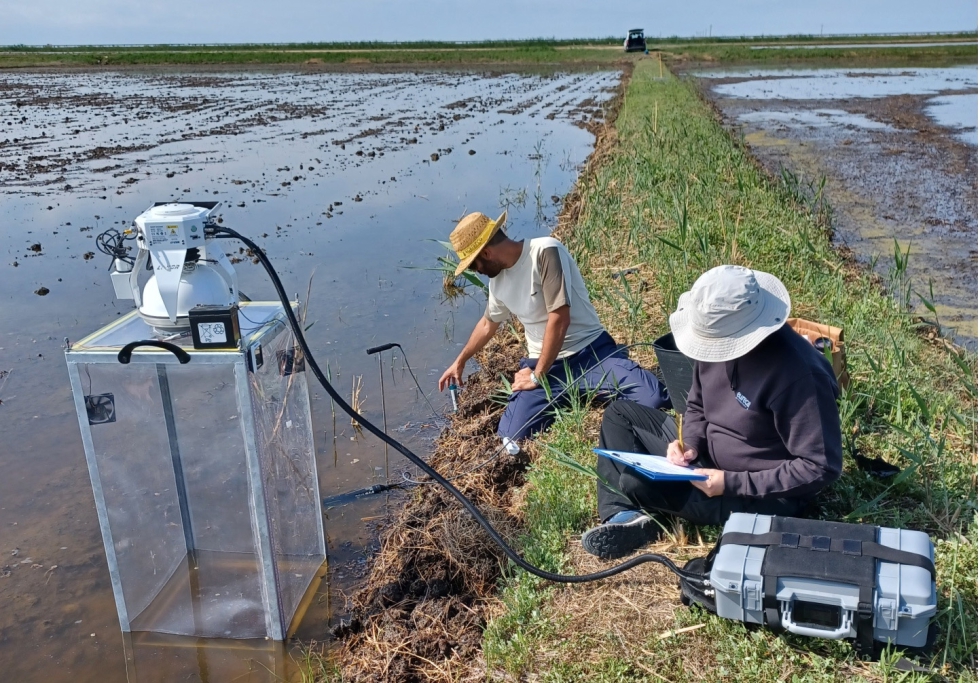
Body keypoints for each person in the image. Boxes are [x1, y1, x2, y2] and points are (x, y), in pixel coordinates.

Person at [581, 265, 843, 560]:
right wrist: (689, 442)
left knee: (635, 482)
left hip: (754, 491)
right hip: (706, 459)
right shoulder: (716, 338)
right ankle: (623, 514)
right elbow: (696, 405)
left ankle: (649, 509)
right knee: (620, 415)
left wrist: (729, 483)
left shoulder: (799, 376)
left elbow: (820, 466)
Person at [438, 210, 670, 444]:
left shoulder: (544, 251)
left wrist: (537, 377)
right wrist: (461, 360)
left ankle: (593, 381)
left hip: (590, 353)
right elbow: (488, 323)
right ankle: (575, 393)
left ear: (486, 253)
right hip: (545, 366)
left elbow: (559, 318)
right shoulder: (498, 283)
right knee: (511, 437)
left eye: (473, 265)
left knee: (653, 399)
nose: (475, 271)